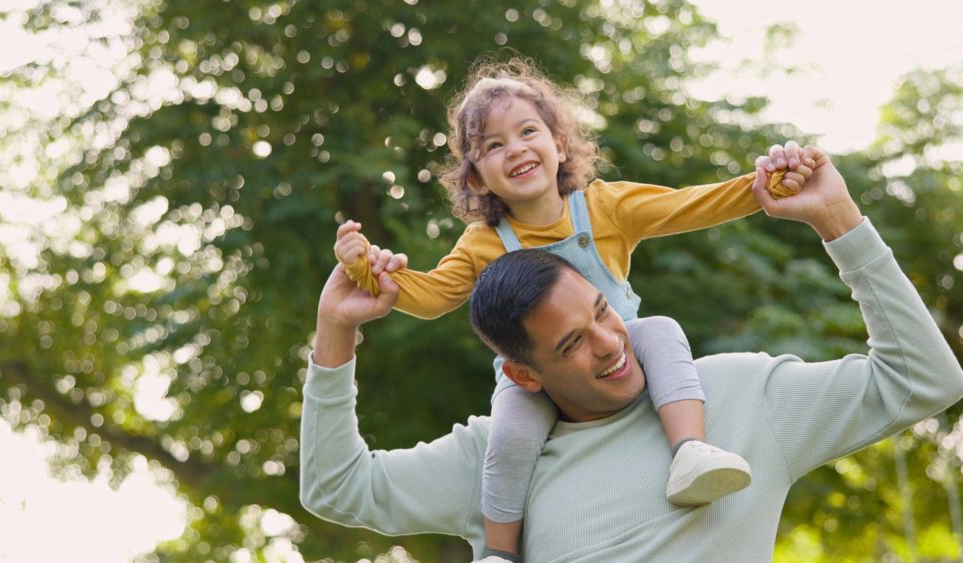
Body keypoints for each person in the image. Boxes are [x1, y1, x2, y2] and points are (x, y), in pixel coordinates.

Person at [301, 147, 963, 562]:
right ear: (522, 372)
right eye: (572, 344)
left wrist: (838, 221)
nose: (612, 343)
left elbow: (925, 379)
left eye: (601, 312)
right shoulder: (495, 457)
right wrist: (336, 329)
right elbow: (335, 487)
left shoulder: (739, 394)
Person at [332, 57, 810, 559]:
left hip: (620, 353)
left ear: (558, 144)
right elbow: (430, 298)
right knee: (509, 435)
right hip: (540, 379)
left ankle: (689, 450)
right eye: (493, 146)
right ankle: (499, 552)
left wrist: (763, 188)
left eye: (527, 131)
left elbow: (690, 204)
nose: (515, 148)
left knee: (663, 330)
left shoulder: (605, 207)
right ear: (476, 180)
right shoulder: (481, 244)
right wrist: (366, 268)